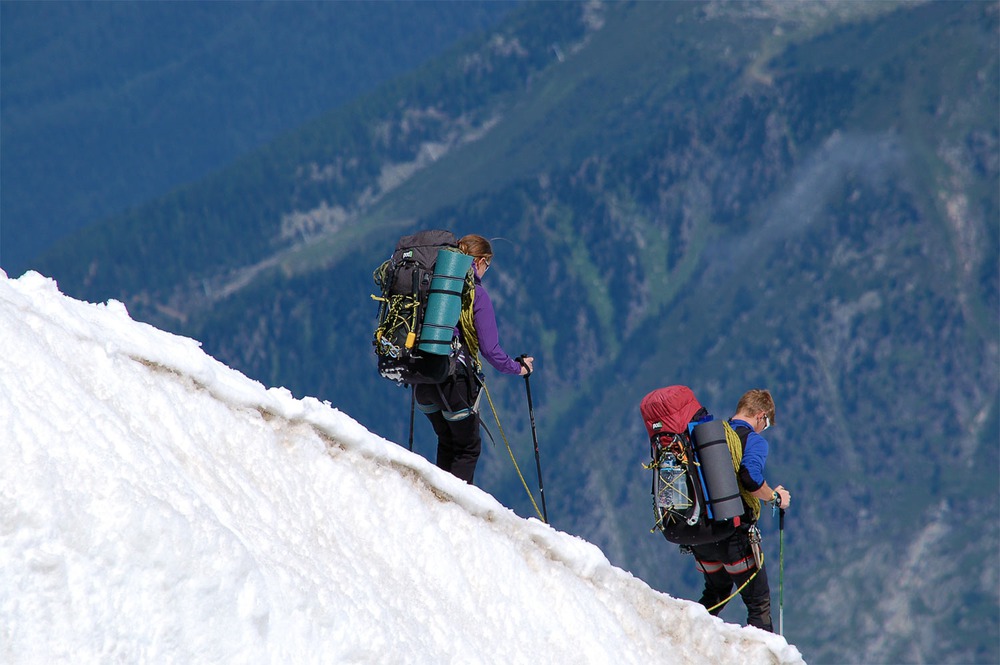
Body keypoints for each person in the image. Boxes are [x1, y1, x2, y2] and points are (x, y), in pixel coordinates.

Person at [414, 234, 533, 484]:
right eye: (487, 265)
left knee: (447, 442)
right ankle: (453, 512)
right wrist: (519, 368)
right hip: (453, 382)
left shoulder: (434, 283)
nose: (486, 271)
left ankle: (436, 503)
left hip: (423, 378)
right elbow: (490, 350)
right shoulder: (476, 294)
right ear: (479, 261)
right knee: (467, 449)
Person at [688, 389, 791, 632]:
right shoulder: (752, 440)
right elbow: (750, 479)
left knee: (716, 591)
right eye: (765, 424)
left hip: (702, 535)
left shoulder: (710, 437)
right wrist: (775, 497)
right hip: (734, 536)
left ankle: (682, 636)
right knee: (758, 603)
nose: (763, 429)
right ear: (760, 415)